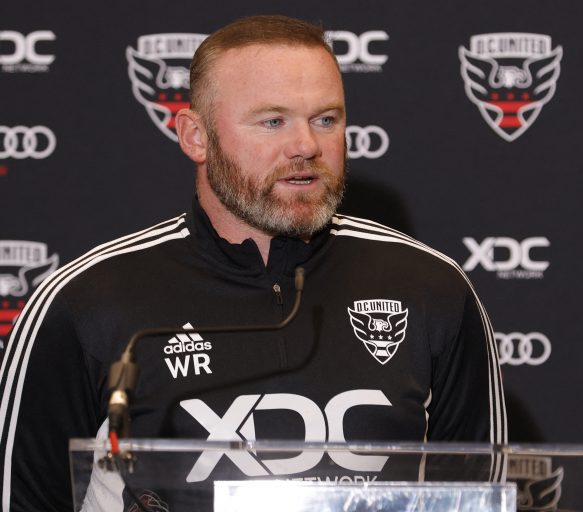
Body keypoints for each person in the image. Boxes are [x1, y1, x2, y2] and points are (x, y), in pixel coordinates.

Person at [0, 15, 507, 511]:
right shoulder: (87, 302)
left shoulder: (431, 288)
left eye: (326, 119)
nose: (306, 146)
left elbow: (481, 498)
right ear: (195, 136)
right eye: (273, 121)